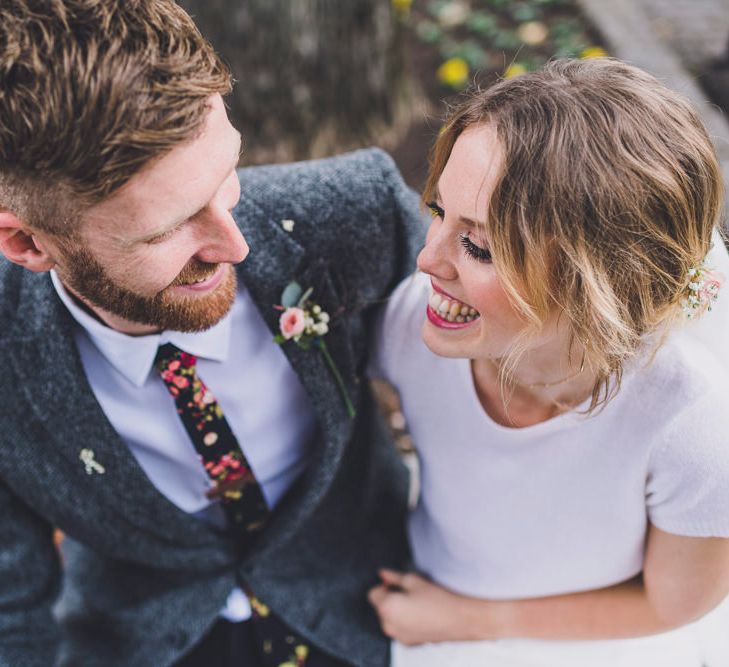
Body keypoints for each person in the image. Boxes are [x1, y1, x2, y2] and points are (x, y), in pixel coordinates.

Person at [0, 2, 424, 666]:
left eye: (226, 171)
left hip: (376, 606)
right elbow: (9, 607)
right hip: (142, 640)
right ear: (25, 241)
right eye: (166, 229)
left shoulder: (357, 215)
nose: (234, 243)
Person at [368, 58, 729, 667]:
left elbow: (673, 603)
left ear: (599, 288)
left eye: (478, 246)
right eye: (438, 213)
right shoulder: (414, 322)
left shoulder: (694, 424)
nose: (428, 260)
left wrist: (468, 620)